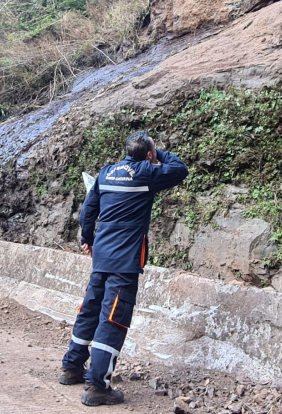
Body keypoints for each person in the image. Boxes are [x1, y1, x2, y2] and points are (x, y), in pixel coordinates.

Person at [60, 130, 189, 406]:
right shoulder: (146, 174)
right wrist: (157, 154)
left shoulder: (106, 173)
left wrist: (87, 239)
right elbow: (180, 169)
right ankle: (97, 387)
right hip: (125, 261)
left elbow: (87, 212)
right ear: (150, 154)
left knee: (90, 309)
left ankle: (71, 367)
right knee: (113, 320)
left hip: (102, 257)